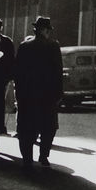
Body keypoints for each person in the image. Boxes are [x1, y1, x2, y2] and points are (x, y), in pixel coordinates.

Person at [14, 16, 63, 169]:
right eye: (48, 30)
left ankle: (27, 158)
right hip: (47, 96)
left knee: (26, 129)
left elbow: (18, 73)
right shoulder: (53, 46)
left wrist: (19, 94)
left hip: (28, 96)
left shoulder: (24, 46)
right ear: (46, 30)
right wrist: (58, 94)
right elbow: (58, 72)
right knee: (48, 128)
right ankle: (44, 155)